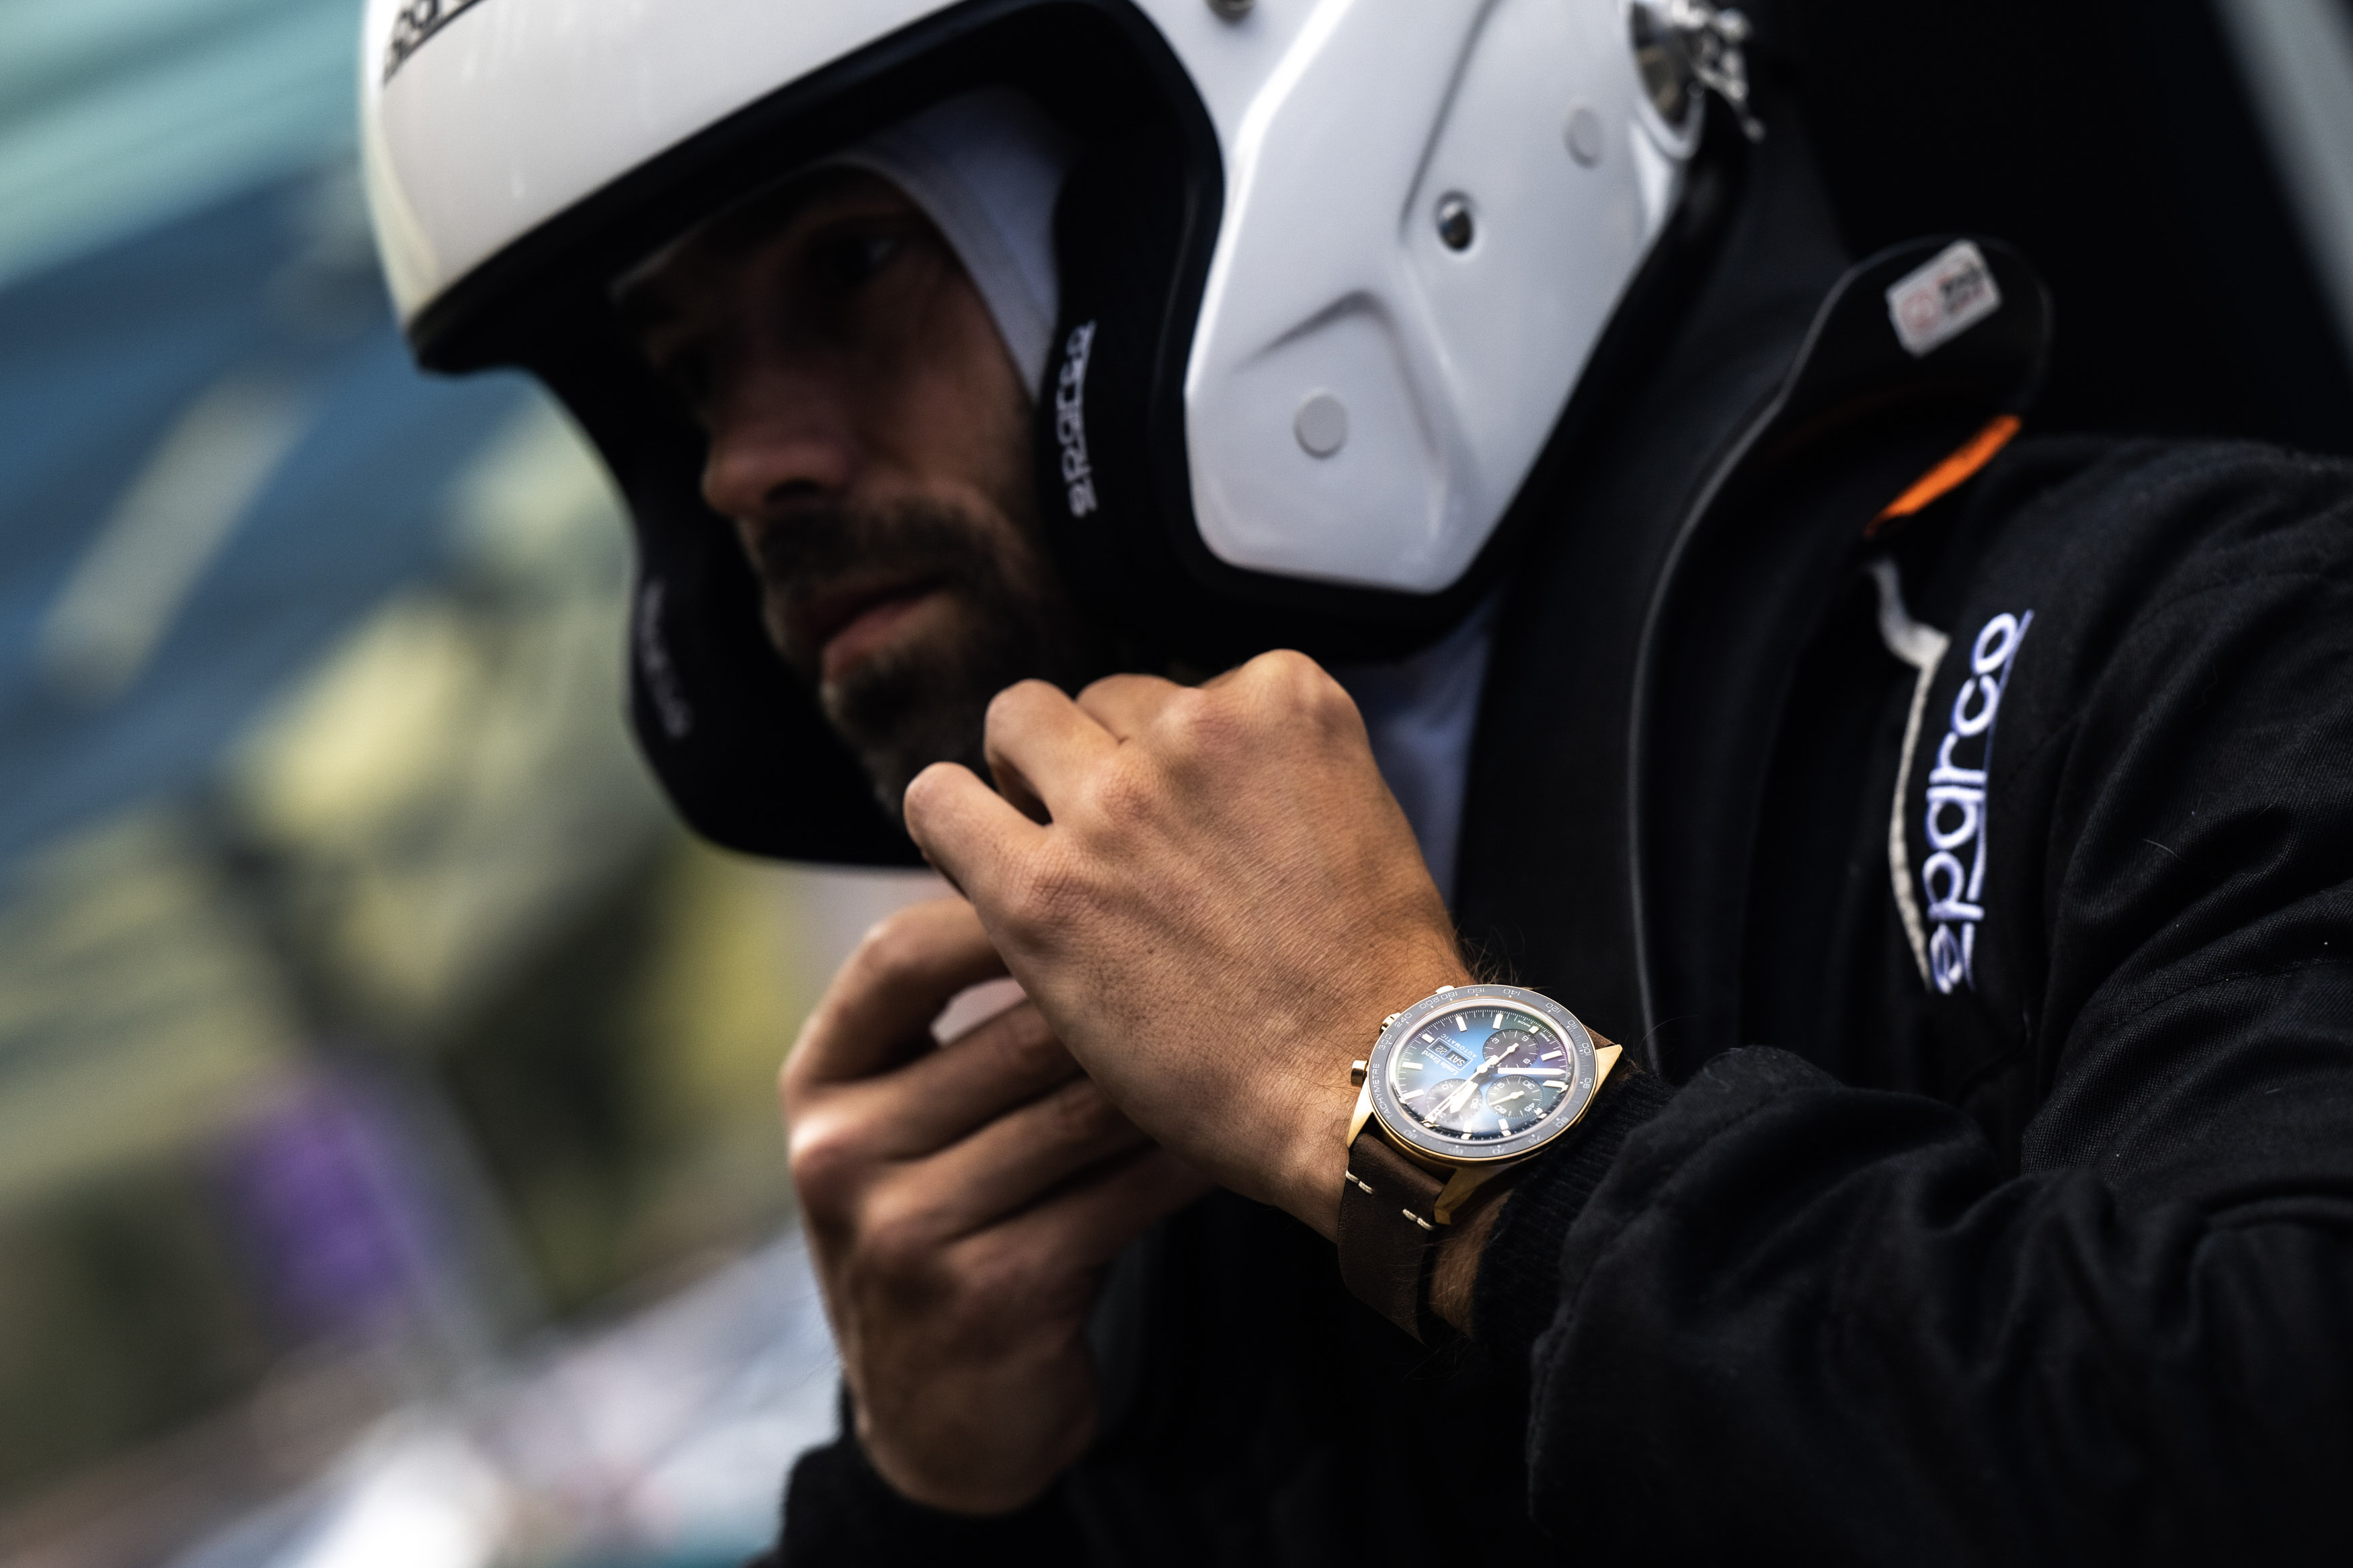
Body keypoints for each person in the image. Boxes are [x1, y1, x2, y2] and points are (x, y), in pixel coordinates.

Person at [362, 1, 2353, 1561]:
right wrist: (937, 1504)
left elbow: (2272, 1441)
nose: (744, 465)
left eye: (857, 261)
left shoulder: (2190, 636)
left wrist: (1427, 1113)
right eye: (690, 373)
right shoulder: (1120, 1209)